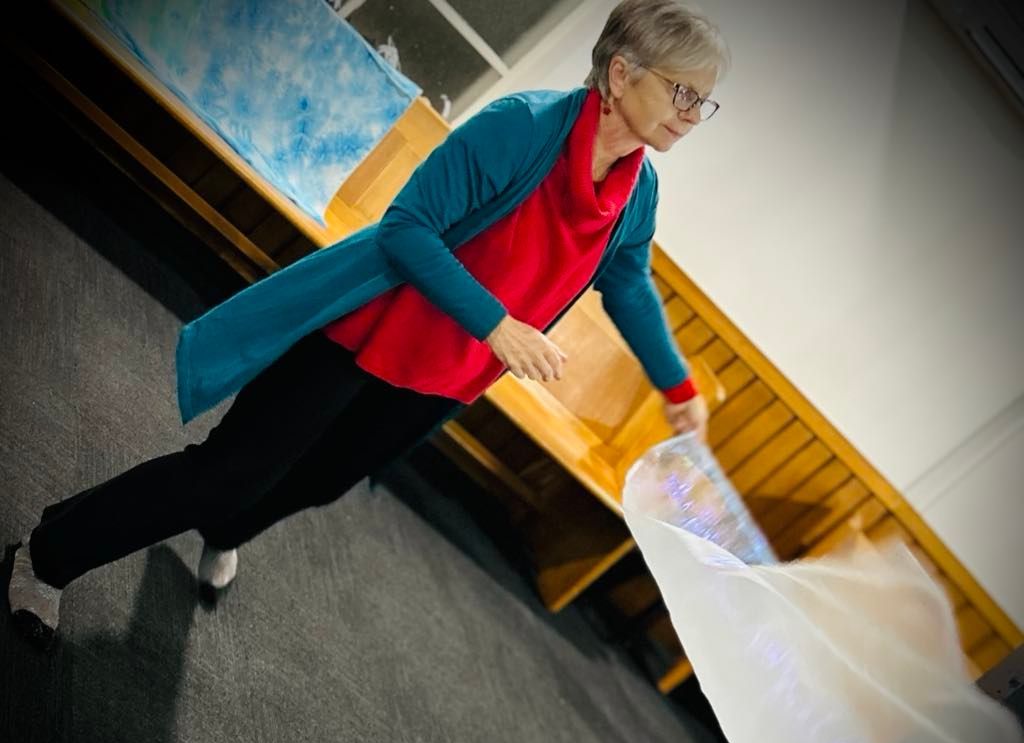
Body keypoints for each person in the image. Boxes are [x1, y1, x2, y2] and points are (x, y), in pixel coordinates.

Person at [7, 0, 729, 650]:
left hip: (441, 379)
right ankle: (48, 554)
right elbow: (407, 230)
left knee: (315, 484)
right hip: (362, 338)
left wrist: (676, 384)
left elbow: (628, 282)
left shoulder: (639, 189)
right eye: (683, 91)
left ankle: (227, 533)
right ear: (621, 71)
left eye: (705, 101)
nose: (693, 115)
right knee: (224, 476)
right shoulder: (522, 128)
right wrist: (498, 325)